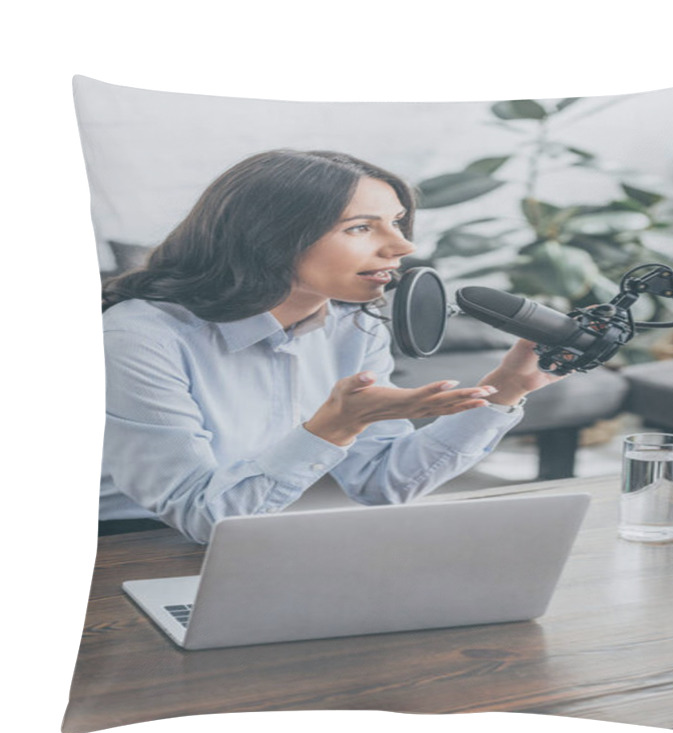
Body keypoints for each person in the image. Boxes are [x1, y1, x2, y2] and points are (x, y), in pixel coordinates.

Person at [99, 150, 562, 543]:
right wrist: (335, 427)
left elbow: (381, 481)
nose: (402, 246)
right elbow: (199, 515)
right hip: (128, 543)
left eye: (397, 223)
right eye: (361, 228)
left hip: (252, 537)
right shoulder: (141, 337)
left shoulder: (352, 325)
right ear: (270, 238)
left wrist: (505, 388)